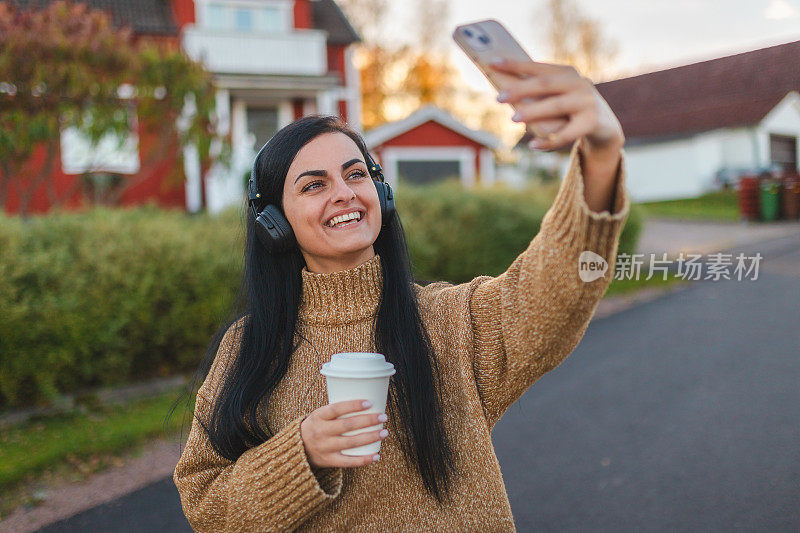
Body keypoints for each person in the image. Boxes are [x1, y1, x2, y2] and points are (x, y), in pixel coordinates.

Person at [173, 58, 631, 532]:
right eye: (314, 185)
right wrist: (301, 454)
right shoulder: (247, 349)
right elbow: (206, 506)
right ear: (275, 222)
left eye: (356, 174)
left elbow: (554, 285)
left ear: (381, 193)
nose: (345, 193)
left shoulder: (449, 321)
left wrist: (601, 154)